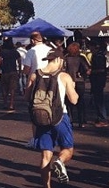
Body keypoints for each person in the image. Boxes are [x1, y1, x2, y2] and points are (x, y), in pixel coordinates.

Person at [25, 48, 79, 187]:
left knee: (45, 155)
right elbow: (73, 100)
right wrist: (73, 87)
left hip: (40, 118)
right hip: (60, 117)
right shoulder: (64, 76)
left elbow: (27, 97)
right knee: (68, 150)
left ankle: (47, 186)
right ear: (59, 60)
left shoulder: (35, 75)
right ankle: (60, 162)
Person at [64, 42, 89, 128]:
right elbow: (87, 69)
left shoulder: (66, 58)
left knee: (68, 102)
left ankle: (70, 120)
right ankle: (81, 121)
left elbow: (63, 69)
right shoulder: (81, 58)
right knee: (80, 101)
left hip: (69, 81)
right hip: (80, 81)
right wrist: (82, 75)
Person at [0, 37, 20, 110]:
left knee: (4, 89)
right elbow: (20, 61)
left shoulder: (2, 52)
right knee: (12, 89)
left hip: (4, 71)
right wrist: (19, 71)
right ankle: (11, 104)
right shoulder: (15, 51)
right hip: (13, 71)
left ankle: (5, 103)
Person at [90, 41, 109, 127]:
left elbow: (102, 69)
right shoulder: (98, 55)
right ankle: (99, 118)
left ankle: (103, 119)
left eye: (91, 47)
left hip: (98, 80)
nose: (90, 49)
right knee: (97, 100)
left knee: (99, 100)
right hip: (97, 80)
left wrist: (91, 71)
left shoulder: (99, 56)